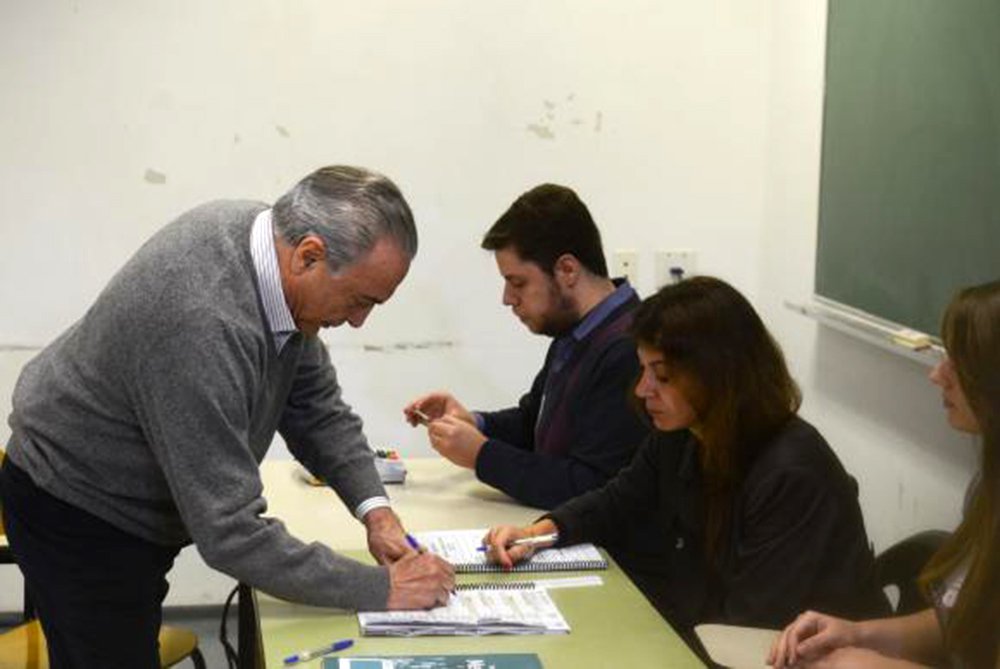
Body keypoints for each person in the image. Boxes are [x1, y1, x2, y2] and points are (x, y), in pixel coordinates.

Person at [0, 166, 454, 668]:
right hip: (79, 506)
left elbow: (317, 410)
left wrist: (376, 512)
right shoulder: (199, 319)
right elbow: (231, 534)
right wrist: (381, 588)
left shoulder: (269, 253)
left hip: (135, 501)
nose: (358, 320)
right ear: (309, 255)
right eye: (359, 300)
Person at [483, 276, 889, 639]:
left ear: (719, 373)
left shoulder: (792, 475)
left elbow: (752, 629)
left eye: (662, 376)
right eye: (643, 371)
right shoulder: (684, 435)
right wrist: (540, 533)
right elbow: (616, 502)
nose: (643, 390)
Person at [770, 280, 1000, 669]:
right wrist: (856, 634)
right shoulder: (987, 487)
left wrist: (871, 665)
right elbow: (960, 627)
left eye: (958, 363)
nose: (937, 374)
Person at [404, 184, 650, 509]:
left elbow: (591, 485)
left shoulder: (628, 349)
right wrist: (474, 424)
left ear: (567, 270)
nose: (507, 299)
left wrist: (481, 455)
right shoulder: (576, 333)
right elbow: (533, 424)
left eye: (518, 282)